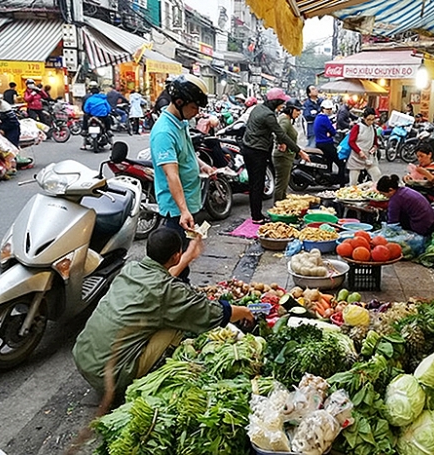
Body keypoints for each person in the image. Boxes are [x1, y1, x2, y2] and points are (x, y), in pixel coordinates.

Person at [72, 228, 254, 401]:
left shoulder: (132, 269)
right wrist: (246, 311)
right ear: (176, 255)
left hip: (83, 358)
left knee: (162, 313)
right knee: (177, 322)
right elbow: (213, 313)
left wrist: (189, 255)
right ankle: (146, 375)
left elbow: (162, 281)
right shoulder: (169, 292)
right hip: (113, 376)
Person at [149, 74, 215, 279]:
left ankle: (182, 294)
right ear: (179, 102)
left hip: (187, 205)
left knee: (183, 260)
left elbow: (188, 154)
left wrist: (203, 166)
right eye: (194, 107)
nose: (197, 113)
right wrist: (184, 211)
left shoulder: (181, 123)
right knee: (175, 263)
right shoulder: (164, 132)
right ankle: (176, 299)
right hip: (176, 211)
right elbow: (172, 176)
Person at [242, 87, 302, 224]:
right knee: (257, 184)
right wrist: (299, 151)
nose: (283, 105)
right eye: (281, 102)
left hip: (248, 148)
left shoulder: (258, 108)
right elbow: (281, 134)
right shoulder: (268, 115)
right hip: (257, 152)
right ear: (275, 102)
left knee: (254, 183)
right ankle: (257, 217)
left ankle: (256, 214)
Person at [273, 99, 310, 202]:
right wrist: (282, 143)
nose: (299, 113)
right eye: (297, 110)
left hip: (286, 156)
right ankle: (278, 207)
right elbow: (280, 134)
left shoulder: (285, 119)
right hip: (283, 156)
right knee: (281, 183)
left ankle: (282, 203)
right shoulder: (284, 120)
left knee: (283, 182)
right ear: (290, 110)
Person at [347, 107, 382, 185]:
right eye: (368, 119)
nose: (370, 122)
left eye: (372, 120)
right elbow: (351, 142)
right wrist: (359, 152)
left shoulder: (373, 128)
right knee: (353, 182)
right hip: (356, 157)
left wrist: (374, 148)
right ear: (364, 118)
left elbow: (375, 142)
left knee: (377, 175)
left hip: (369, 157)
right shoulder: (357, 127)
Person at [314, 99, 345, 184]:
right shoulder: (324, 118)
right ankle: (341, 183)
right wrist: (330, 133)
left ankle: (329, 181)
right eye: (327, 109)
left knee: (329, 162)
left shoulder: (318, 117)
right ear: (322, 109)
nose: (329, 111)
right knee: (341, 163)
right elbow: (333, 131)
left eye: (330, 109)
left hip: (319, 143)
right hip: (326, 144)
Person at [81, 83, 112, 150]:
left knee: (85, 118)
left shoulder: (89, 99)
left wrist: (89, 113)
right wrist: (107, 112)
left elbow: (86, 109)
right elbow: (108, 109)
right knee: (108, 120)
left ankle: (84, 131)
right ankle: (109, 131)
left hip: (91, 116)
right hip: (102, 117)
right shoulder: (103, 98)